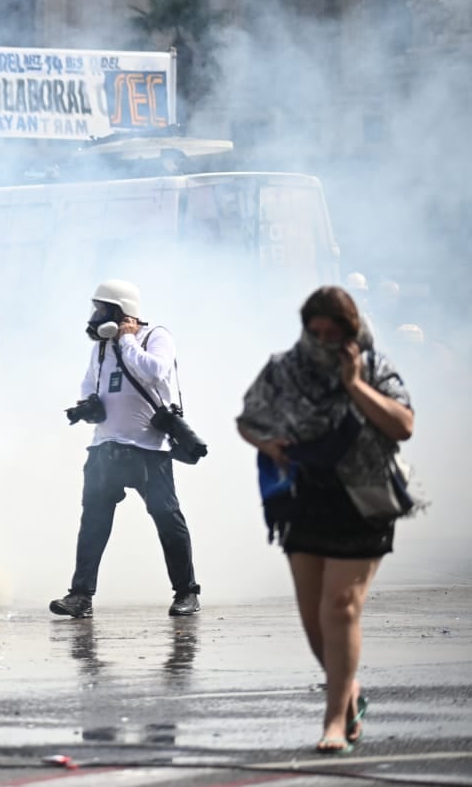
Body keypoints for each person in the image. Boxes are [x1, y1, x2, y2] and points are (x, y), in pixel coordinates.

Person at [237, 286, 414, 755]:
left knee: (342, 608)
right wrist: (270, 445)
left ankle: (334, 718)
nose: (322, 340)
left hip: (363, 498)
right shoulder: (284, 369)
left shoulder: (375, 367)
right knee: (316, 619)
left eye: (333, 333)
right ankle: (349, 689)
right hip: (303, 498)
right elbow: (248, 418)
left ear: (351, 332)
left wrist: (355, 385)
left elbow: (403, 426)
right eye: (314, 332)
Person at [51, 279, 201, 619]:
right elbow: (91, 384)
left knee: (167, 519)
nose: (96, 315)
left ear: (121, 311)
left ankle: (186, 592)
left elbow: (155, 371)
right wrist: (88, 405)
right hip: (106, 447)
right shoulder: (100, 348)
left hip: (150, 449)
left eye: (103, 308)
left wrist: (128, 338)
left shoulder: (154, 337)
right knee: (93, 522)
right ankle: (80, 596)